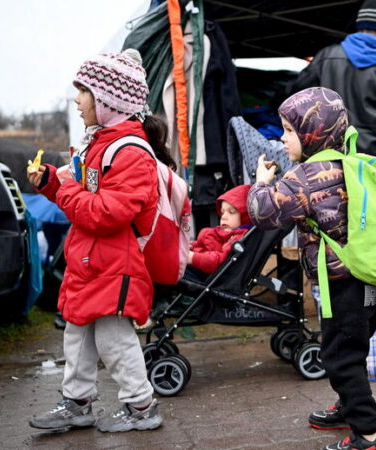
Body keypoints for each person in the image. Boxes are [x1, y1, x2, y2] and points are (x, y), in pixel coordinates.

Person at [27, 49, 166, 432]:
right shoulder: (100, 144)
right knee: (78, 333)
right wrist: (53, 183)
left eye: (83, 91)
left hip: (115, 263)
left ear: (107, 100)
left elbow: (107, 212)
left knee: (113, 338)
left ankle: (141, 406)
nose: (76, 99)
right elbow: (83, 194)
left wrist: (67, 193)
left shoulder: (131, 151)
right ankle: (77, 402)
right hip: (90, 261)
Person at [247, 87, 376, 450]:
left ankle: (368, 436)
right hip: (371, 279)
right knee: (351, 348)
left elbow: (264, 213)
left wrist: (261, 183)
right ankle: (347, 408)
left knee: (340, 357)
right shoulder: (355, 161)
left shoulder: (307, 175)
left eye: (289, 130)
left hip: (342, 283)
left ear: (314, 132)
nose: (282, 137)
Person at [288, 0, 376, 159]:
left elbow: (298, 93)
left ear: (359, 27)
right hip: (370, 150)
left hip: (328, 145)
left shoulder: (327, 56)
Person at [187, 184, 252, 276]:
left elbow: (219, 260)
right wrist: (190, 246)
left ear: (245, 215)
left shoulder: (237, 238)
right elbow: (204, 243)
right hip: (199, 257)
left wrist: (192, 257)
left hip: (204, 268)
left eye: (231, 212)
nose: (224, 217)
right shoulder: (224, 232)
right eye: (222, 212)